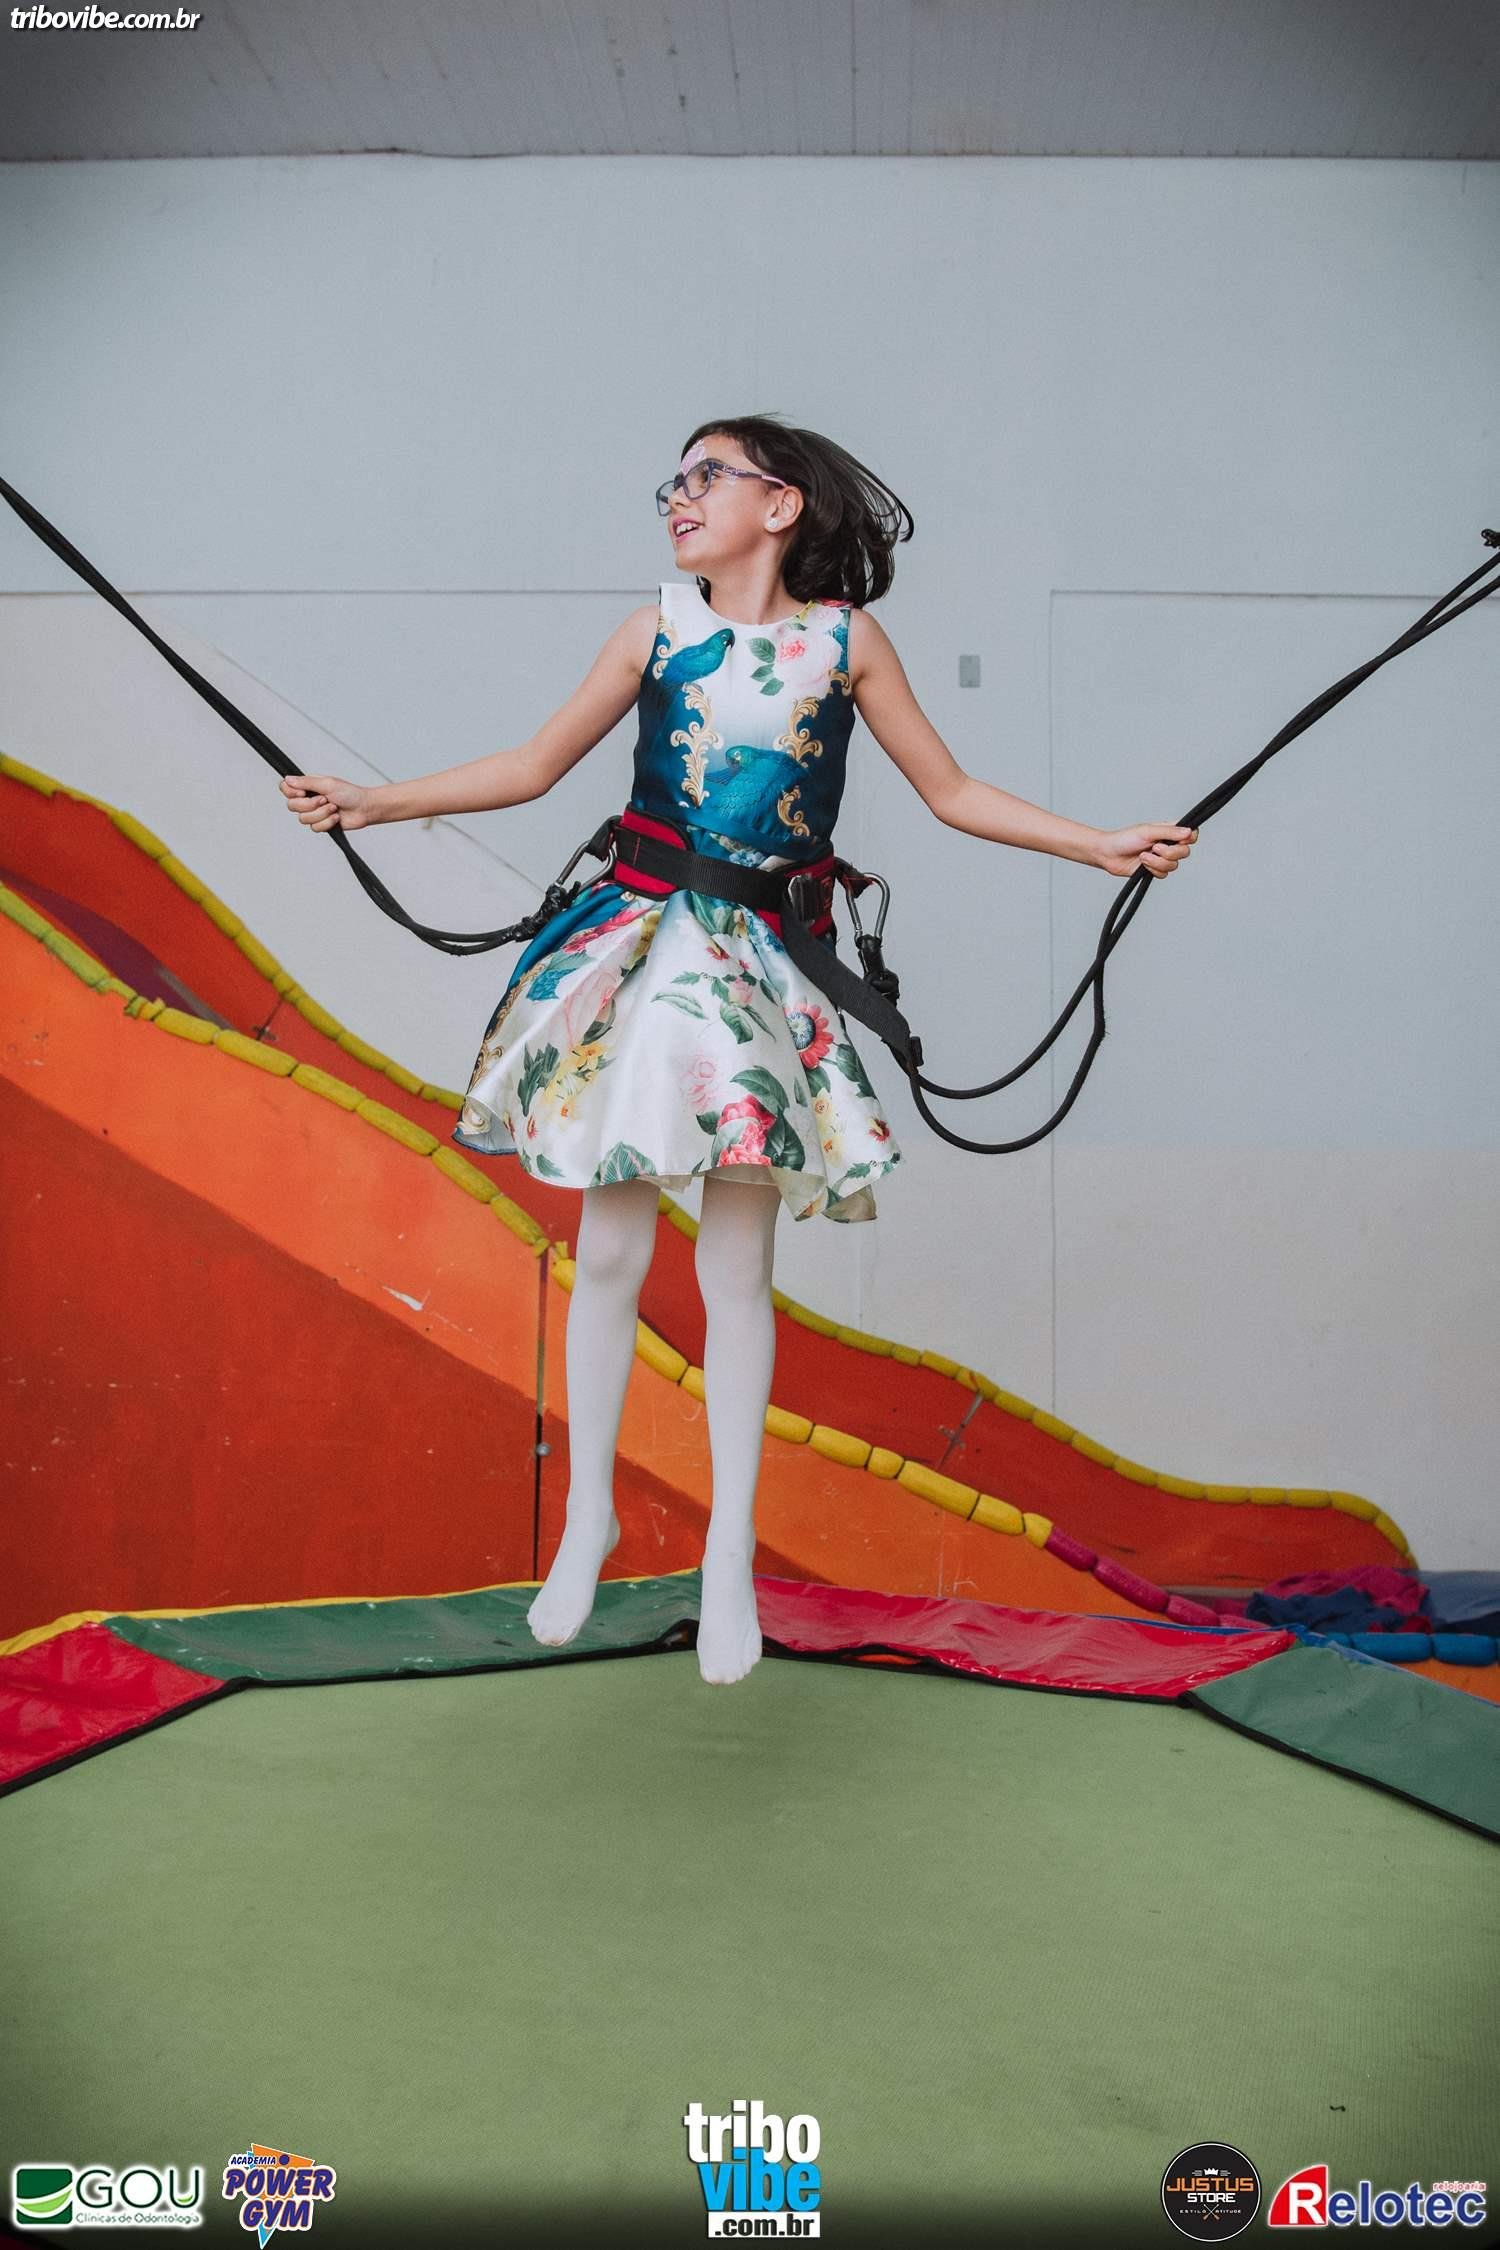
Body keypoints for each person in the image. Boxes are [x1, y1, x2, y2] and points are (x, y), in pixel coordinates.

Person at [283, 414, 1197, 1686]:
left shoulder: (845, 643)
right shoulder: (654, 628)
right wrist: (371, 803)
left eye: (706, 475)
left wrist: (1097, 844)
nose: (678, 495)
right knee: (608, 1250)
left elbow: (950, 792)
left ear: (780, 505)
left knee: (736, 1271)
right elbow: (534, 765)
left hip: (757, 969)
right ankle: (589, 1519)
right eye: (674, 480)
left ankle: (728, 1559)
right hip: (639, 953)